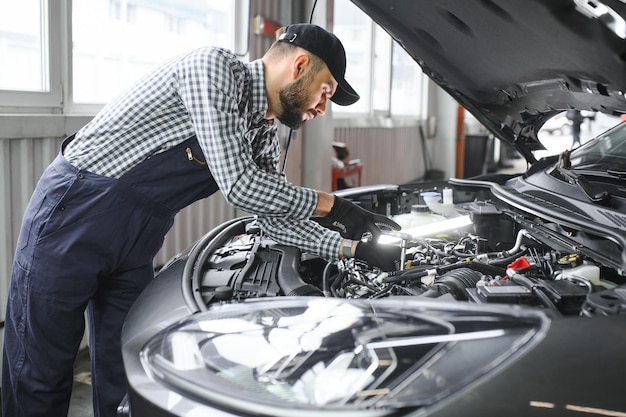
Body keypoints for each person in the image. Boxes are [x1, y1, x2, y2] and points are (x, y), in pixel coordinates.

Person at [2, 23, 401, 417]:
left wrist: (352, 248)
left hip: (137, 238)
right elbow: (240, 186)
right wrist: (336, 207)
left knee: (127, 368)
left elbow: (275, 221)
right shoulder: (212, 70)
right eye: (325, 91)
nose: (321, 107)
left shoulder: (261, 132)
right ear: (298, 66)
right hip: (75, 215)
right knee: (39, 369)